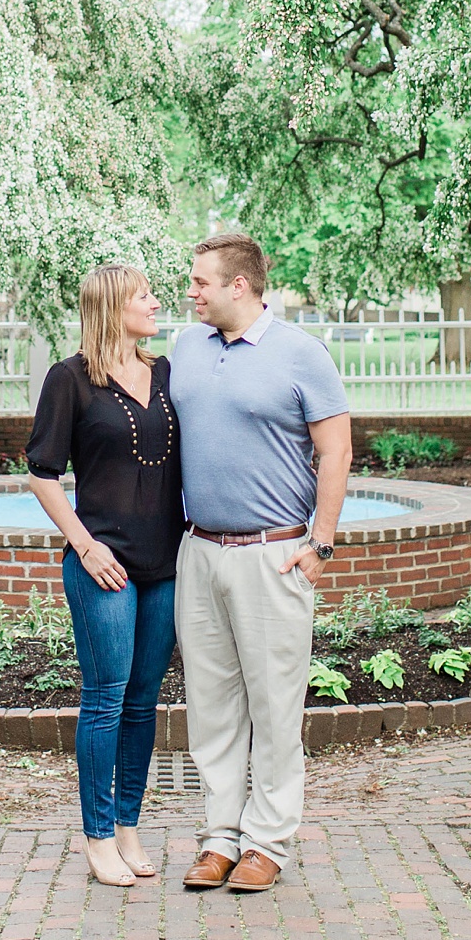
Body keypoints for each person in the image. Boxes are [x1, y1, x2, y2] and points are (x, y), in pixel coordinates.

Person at [167, 232, 351, 894]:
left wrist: (321, 542)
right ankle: (219, 836)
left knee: (274, 707)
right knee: (210, 704)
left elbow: (336, 450)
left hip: (274, 555)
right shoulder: (185, 347)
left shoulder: (301, 354)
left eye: (200, 281)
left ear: (238, 285)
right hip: (201, 549)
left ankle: (267, 840)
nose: (190, 291)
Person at [27, 263, 182, 887]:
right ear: (112, 305)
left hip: (165, 564)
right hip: (104, 566)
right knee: (106, 699)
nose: (154, 302)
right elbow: (41, 473)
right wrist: (84, 546)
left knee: (144, 703)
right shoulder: (70, 380)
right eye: (143, 294)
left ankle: (127, 828)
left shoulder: (166, 372)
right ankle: (95, 837)